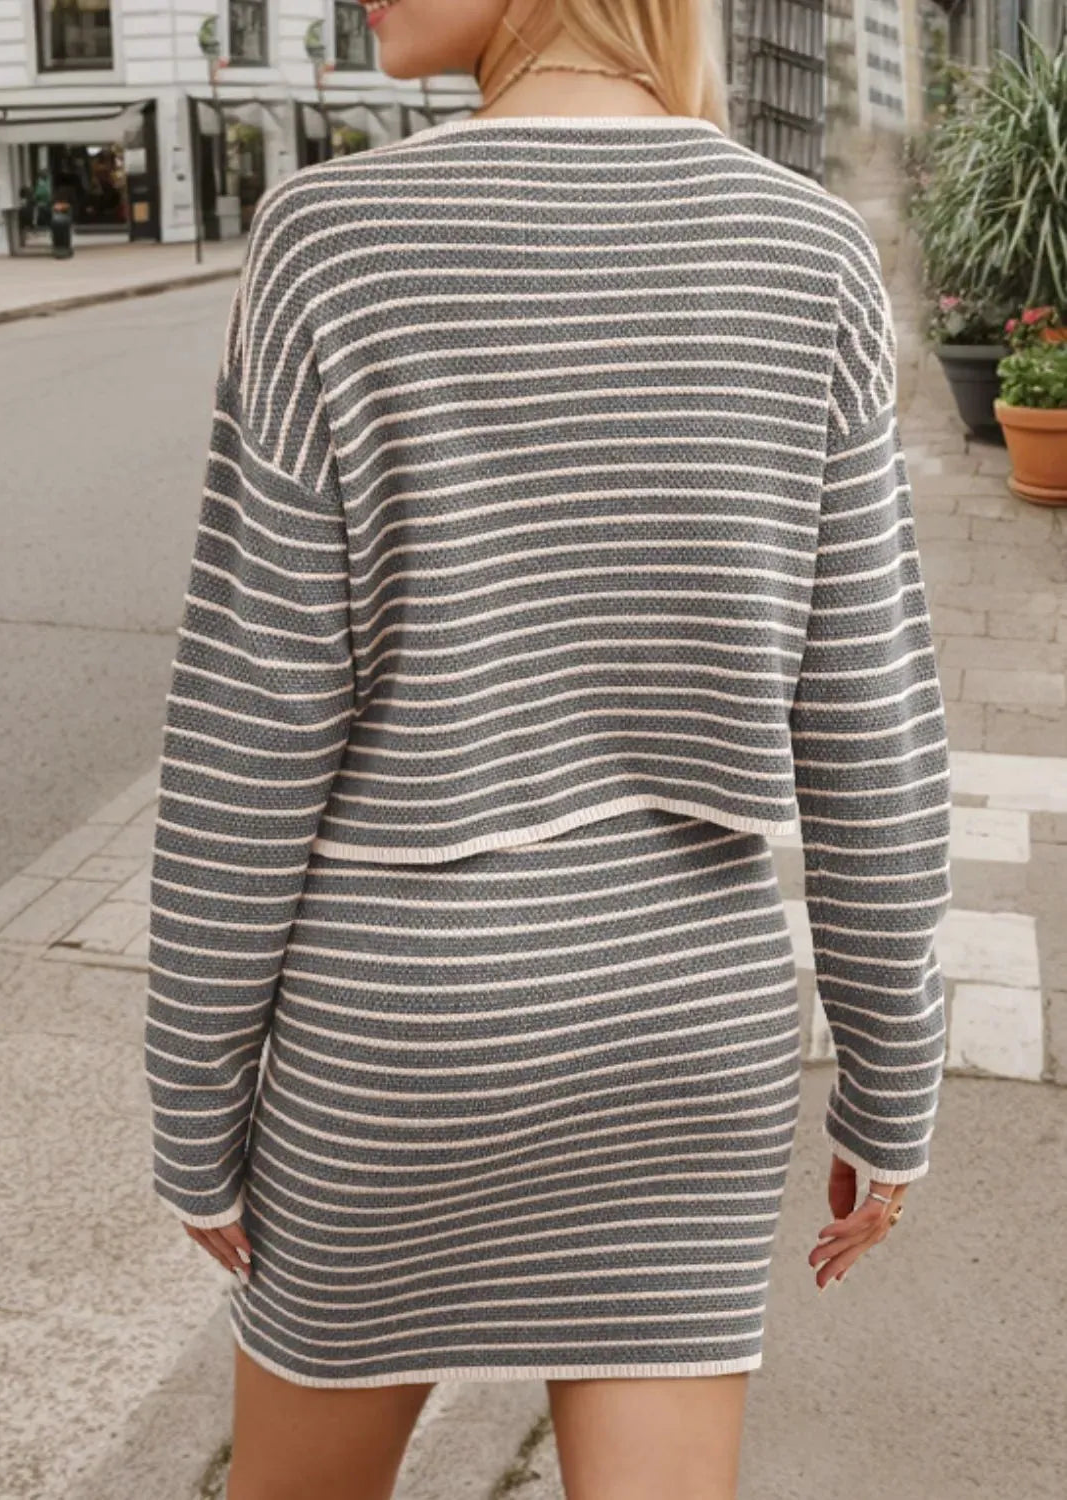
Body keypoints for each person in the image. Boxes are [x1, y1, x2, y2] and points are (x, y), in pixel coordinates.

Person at [143, 2, 952, 1496]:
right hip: (686, 1026)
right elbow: (873, 730)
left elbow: (249, 728)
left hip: (399, 1034)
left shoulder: (331, 240)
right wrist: (890, 1077)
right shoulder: (812, 252)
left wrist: (193, 1097)